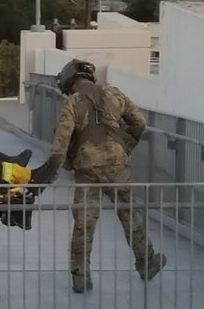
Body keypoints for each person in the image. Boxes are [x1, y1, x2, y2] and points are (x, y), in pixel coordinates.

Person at [45, 58, 166, 293]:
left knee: (84, 224)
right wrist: (126, 144)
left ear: (70, 82)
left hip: (87, 171)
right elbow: (139, 121)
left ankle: (80, 278)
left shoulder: (73, 103)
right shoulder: (114, 93)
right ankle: (147, 263)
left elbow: (60, 143)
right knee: (130, 216)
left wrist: (59, 167)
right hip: (118, 168)